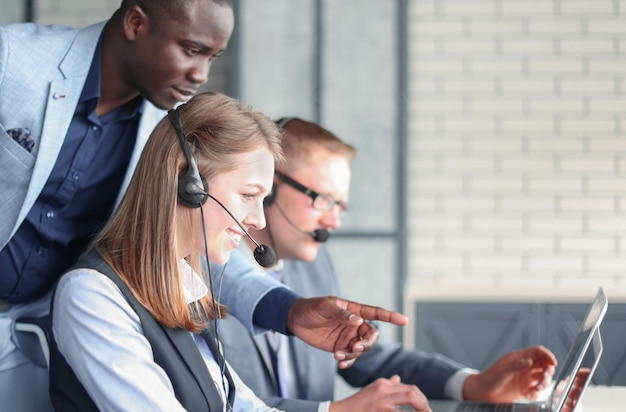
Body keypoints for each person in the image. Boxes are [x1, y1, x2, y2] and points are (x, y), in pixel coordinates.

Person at [0, 1, 406, 410]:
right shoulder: (14, 60)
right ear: (136, 23)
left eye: (212, 57)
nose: (202, 74)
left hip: (42, 335)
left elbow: (197, 240)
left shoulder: (173, 128)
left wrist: (289, 309)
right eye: (191, 49)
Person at [218, 118, 560, 412]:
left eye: (341, 206)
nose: (334, 221)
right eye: (323, 200)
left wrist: (472, 384)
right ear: (269, 188)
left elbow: (371, 359)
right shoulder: (205, 277)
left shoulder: (314, 266)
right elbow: (211, 401)